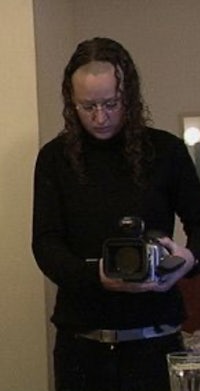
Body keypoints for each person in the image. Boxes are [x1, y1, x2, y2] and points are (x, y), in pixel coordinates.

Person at [32, 37, 200, 391]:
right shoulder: (54, 159)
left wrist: (187, 261)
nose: (100, 116)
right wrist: (96, 275)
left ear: (130, 96)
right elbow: (46, 244)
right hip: (82, 345)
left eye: (111, 103)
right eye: (86, 106)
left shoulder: (166, 151)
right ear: (70, 101)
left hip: (156, 342)